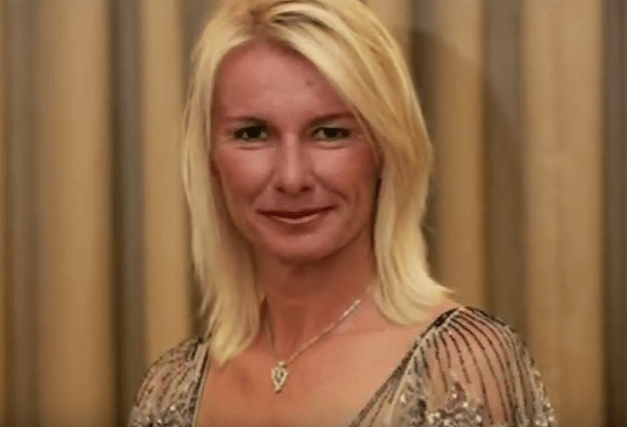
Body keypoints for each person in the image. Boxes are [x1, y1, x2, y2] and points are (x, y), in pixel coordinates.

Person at [128, 0, 557, 426]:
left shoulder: (460, 371)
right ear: (210, 159)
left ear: (385, 151)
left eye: (330, 133)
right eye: (254, 133)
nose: (292, 177)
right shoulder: (172, 388)